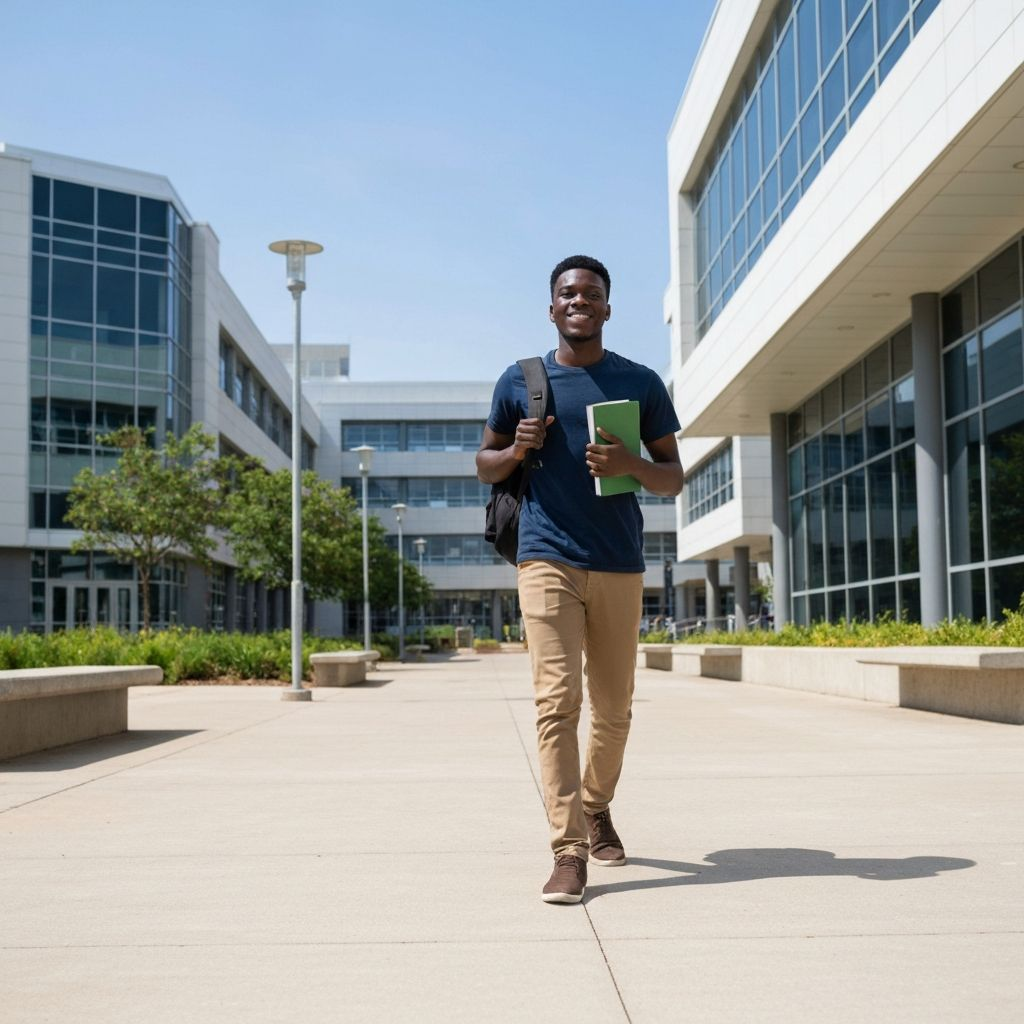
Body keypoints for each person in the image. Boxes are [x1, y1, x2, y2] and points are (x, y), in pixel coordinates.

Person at [476, 255, 683, 904]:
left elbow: (673, 475)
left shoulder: (640, 382)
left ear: (607, 308)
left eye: (591, 293)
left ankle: (596, 806)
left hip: (618, 560)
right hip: (545, 557)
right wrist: (517, 450)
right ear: (552, 307)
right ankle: (568, 851)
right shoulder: (520, 381)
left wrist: (630, 462)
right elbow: (485, 464)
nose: (579, 301)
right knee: (556, 701)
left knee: (615, 709)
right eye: (568, 293)